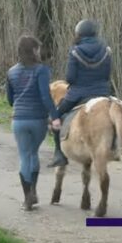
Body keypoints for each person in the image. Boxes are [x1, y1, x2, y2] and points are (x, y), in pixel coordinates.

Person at [47, 19, 113, 168]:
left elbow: (70, 78)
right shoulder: (106, 50)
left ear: (79, 34)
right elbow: (108, 75)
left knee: (56, 116)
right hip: (102, 93)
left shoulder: (75, 51)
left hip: (79, 94)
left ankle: (59, 154)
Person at [6, 35, 61, 211]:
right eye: (37, 48)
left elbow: (10, 99)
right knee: (33, 153)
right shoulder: (41, 70)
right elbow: (45, 96)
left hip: (19, 120)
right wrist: (55, 116)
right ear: (33, 50)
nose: (39, 51)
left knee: (24, 155)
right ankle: (34, 191)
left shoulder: (11, 72)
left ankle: (27, 197)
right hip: (37, 119)